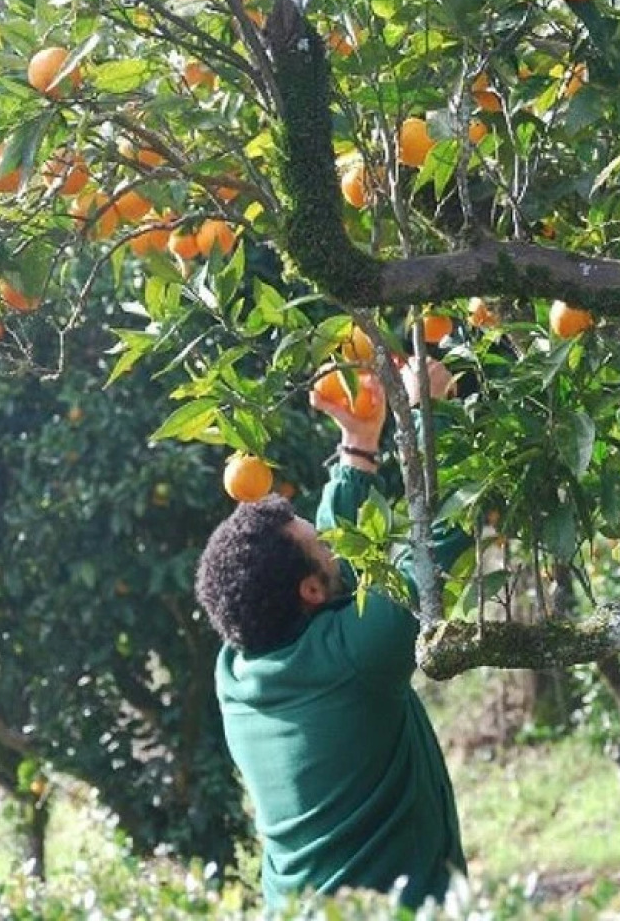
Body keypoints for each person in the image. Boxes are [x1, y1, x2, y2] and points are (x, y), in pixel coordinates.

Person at [194, 359, 468, 911]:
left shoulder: (238, 670)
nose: (327, 538)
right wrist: (433, 414)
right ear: (312, 594)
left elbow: (346, 563)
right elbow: (446, 535)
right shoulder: (355, 659)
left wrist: (359, 443)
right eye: (316, 539)